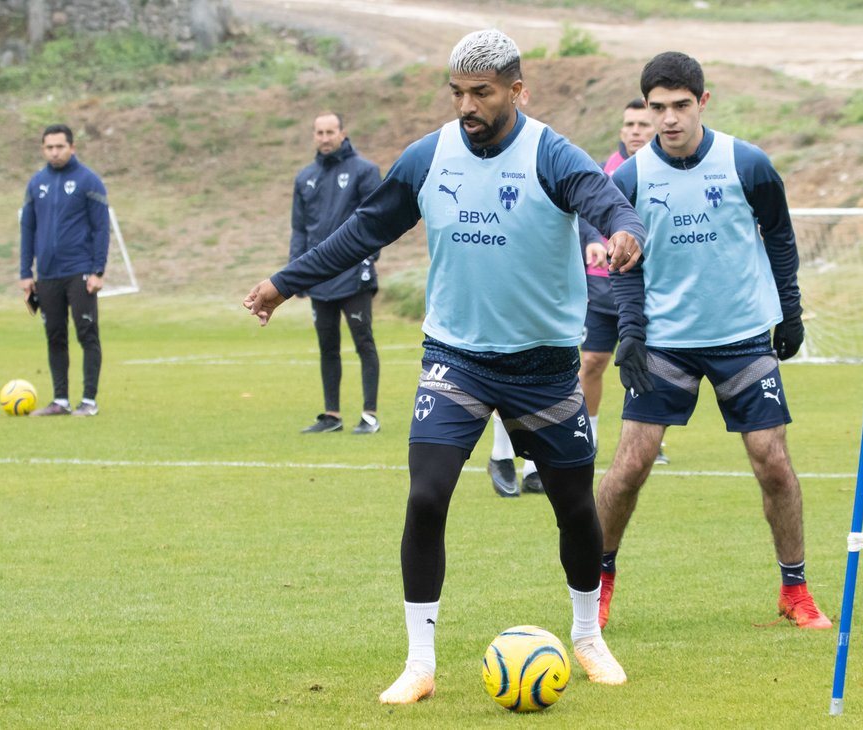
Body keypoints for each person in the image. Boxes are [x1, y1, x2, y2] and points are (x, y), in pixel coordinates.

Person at [242, 29, 651, 703]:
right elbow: (362, 230)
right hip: (456, 360)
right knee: (426, 496)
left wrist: (623, 230)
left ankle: (587, 637)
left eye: (482, 93)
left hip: (546, 367)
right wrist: (286, 282)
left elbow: (601, 197)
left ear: (517, 91)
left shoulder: (548, 152)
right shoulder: (430, 156)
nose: (467, 105)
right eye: (458, 92)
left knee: (575, 506)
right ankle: (420, 663)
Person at [594, 51, 832, 630]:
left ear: (703, 102)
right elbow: (625, 264)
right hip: (667, 343)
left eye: (680, 106)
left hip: (742, 338)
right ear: (645, 110)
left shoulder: (747, 164)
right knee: (630, 466)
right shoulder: (629, 178)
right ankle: (595, 588)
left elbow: (779, 237)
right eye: (657, 109)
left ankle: (795, 589)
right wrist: (631, 331)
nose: (669, 119)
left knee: (772, 461)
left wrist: (790, 313)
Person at [579, 99, 672, 463]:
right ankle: (588, 435)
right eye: (629, 124)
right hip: (603, 286)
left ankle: (652, 439)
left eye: (642, 125)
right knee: (592, 362)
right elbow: (586, 212)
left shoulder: (661, 170)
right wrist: (591, 241)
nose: (635, 131)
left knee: (649, 362)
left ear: (654, 128)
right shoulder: (605, 170)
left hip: (649, 288)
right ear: (621, 130)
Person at [291, 112, 383, 435]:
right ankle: (332, 415)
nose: (325, 138)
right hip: (319, 279)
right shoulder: (305, 178)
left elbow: (378, 218)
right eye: (319, 132)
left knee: (364, 343)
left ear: (343, 133)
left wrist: (370, 256)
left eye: (331, 131)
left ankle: (369, 414)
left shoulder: (365, 171)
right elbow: (300, 230)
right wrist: (296, 273)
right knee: (327, 347)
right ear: (314, 135)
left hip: (354, 276)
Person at [19, 124, 109, 417]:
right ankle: (60, 401)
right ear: (43, 149)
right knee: (55, 336)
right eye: (49, 147)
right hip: (47, 275)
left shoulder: (88, 181)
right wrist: (25, 272)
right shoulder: (36, 183)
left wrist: (98, 270)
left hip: (80, 271)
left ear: (72, 148)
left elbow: (100, 228)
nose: (54, 152)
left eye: (60, 146)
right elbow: (28, 229)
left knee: (87, 334)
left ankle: (89, 402)